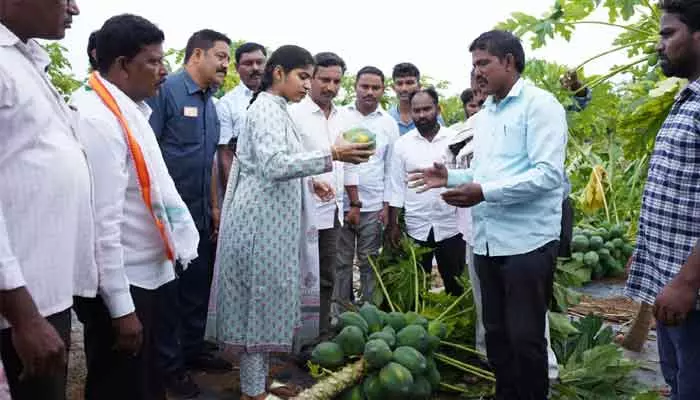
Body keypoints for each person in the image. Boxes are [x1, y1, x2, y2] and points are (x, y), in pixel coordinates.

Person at [206, 44, 373, 400]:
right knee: (258, 307)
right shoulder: (266, 109)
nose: (307, 84)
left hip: (270, 226)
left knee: (265, 304)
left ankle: (260, 385)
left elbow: (274, 161)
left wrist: (310, 179)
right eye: (303, 76)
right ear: (278, 73)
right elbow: (272, 165)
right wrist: (333, 154)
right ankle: (253, 393)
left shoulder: (277, 109)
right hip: (259, 228)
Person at [409, 30, 567, 399]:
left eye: (484, 64)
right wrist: (452, 176)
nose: (477, 73)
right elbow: (489, 173)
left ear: (509, 62)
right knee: (495, 333)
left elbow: (547, 176)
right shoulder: (489, 113)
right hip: (487, 242)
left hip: (527, 242)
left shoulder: (540, 106)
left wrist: (483, 192)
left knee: (526, 337)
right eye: (474, 65)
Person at [71, 14, 201, 400]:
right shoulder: (98, 119)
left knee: (146, 383)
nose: (163, 71)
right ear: (122, 65)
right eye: (153, 62)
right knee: (120, 386)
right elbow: (103, 223)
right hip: (124, 282)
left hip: (151, 270)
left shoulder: (131, 111)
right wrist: (122, 309)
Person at [0, 0, 90, 399]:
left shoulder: (24, 57)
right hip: (16, 302)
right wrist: (24, 316)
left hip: (39, 290)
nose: (74, 8)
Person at [147, 28, 232, 397]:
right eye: (221, 57)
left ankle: (193, 350)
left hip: (199, 212)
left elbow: (211, 160)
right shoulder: (165, 92)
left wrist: (215, 206)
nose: (225, 65)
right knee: (169, 293)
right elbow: (145, 153)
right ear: (197, 55)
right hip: (166, 216)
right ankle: (169, 368)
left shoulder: (211, 103)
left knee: (197, 284)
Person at [625, 1, 700, 398]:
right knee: (677, 380)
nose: (659, 45)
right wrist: (647, 250)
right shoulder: (687, 98)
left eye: (668, 33)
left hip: (690, 289)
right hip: (670, 280)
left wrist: (687, 282)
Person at [288, 52, 358, 346]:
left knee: (326, 275)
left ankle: (319, 336)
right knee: (297, 276)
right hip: (300, 209)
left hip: (332, 210)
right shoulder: (294, 113)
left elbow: (350, 162)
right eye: (324, 79)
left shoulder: (343, 116)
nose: (330, 87)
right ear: (311, 78)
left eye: (336, 81)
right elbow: (286, 159)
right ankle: (291, 338)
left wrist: (354, 202)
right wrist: (310, 180)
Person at [387, 87, 465, 296]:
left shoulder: (455, 139)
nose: (421, 115)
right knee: (415, 285)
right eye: (416, 110)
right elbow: (396, 186)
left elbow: (466, 178)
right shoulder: (402, 145)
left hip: (451, 224)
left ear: (438, 109)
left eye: (427, 109)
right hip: (416, 224)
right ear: (410, 112)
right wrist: (393, 224)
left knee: (456, 282)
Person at [336, 66, 400, 305]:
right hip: (341, 202)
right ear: (355, 87)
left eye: (376, 87)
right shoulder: (340, 116)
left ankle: (368, 313)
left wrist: (386, 205)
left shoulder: (388, 124)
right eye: (365, 86)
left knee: (369, 261)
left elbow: (391, 168)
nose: (370, 92)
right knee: (340, 262)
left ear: (383, 90)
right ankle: (340, 312)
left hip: (373, 205)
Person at [216, 42, 267, 190]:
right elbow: (225, 155)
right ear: (237, 68)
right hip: (245, 188)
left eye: (259, 62)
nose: (255, 68)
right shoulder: (227, 104)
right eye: (248, 63)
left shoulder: (279, 100)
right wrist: (231, 195)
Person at [388, 62, 444, 135]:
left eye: (409, 83)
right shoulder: (388, 118)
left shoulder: (433, 117)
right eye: (399, 83)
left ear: (419, 86)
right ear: (393, 87)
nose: (404, 88)